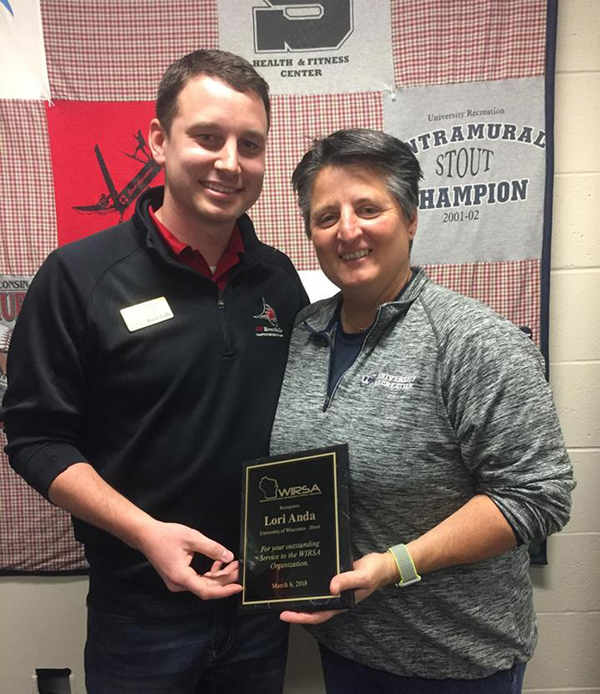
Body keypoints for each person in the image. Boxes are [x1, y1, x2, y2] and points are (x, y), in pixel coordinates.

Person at [3, 50, 308, 694]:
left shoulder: (279, 281)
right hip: (141, 619)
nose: (230, 163)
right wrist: (146, 534)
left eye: (250, 145)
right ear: (158, 139)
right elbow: (36, 439)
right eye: (207, 137)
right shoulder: (78, 277)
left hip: (261, 607)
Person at [269, 129, 574, 693]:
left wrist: (395, 565)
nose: (348, 231)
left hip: (454, 658)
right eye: (326, 216)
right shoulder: (303, 334)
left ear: (410, 218)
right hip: (344, 648)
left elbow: (538, 497)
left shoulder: (474, 341)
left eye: (368, 208)